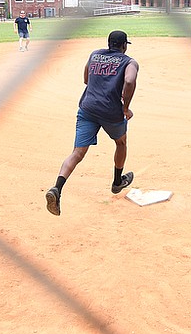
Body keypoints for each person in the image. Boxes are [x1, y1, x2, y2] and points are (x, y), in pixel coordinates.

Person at [45, 30, 138, 216]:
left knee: (77, 152)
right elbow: (129, 80)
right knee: (121, 143)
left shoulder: (95, 54)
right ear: (124, 46)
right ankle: (117, 182)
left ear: (108, 43)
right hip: (111, 113)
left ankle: (57, 188)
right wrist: (126, 107)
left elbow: (86, 79)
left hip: (87, 108)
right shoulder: (129, 61)